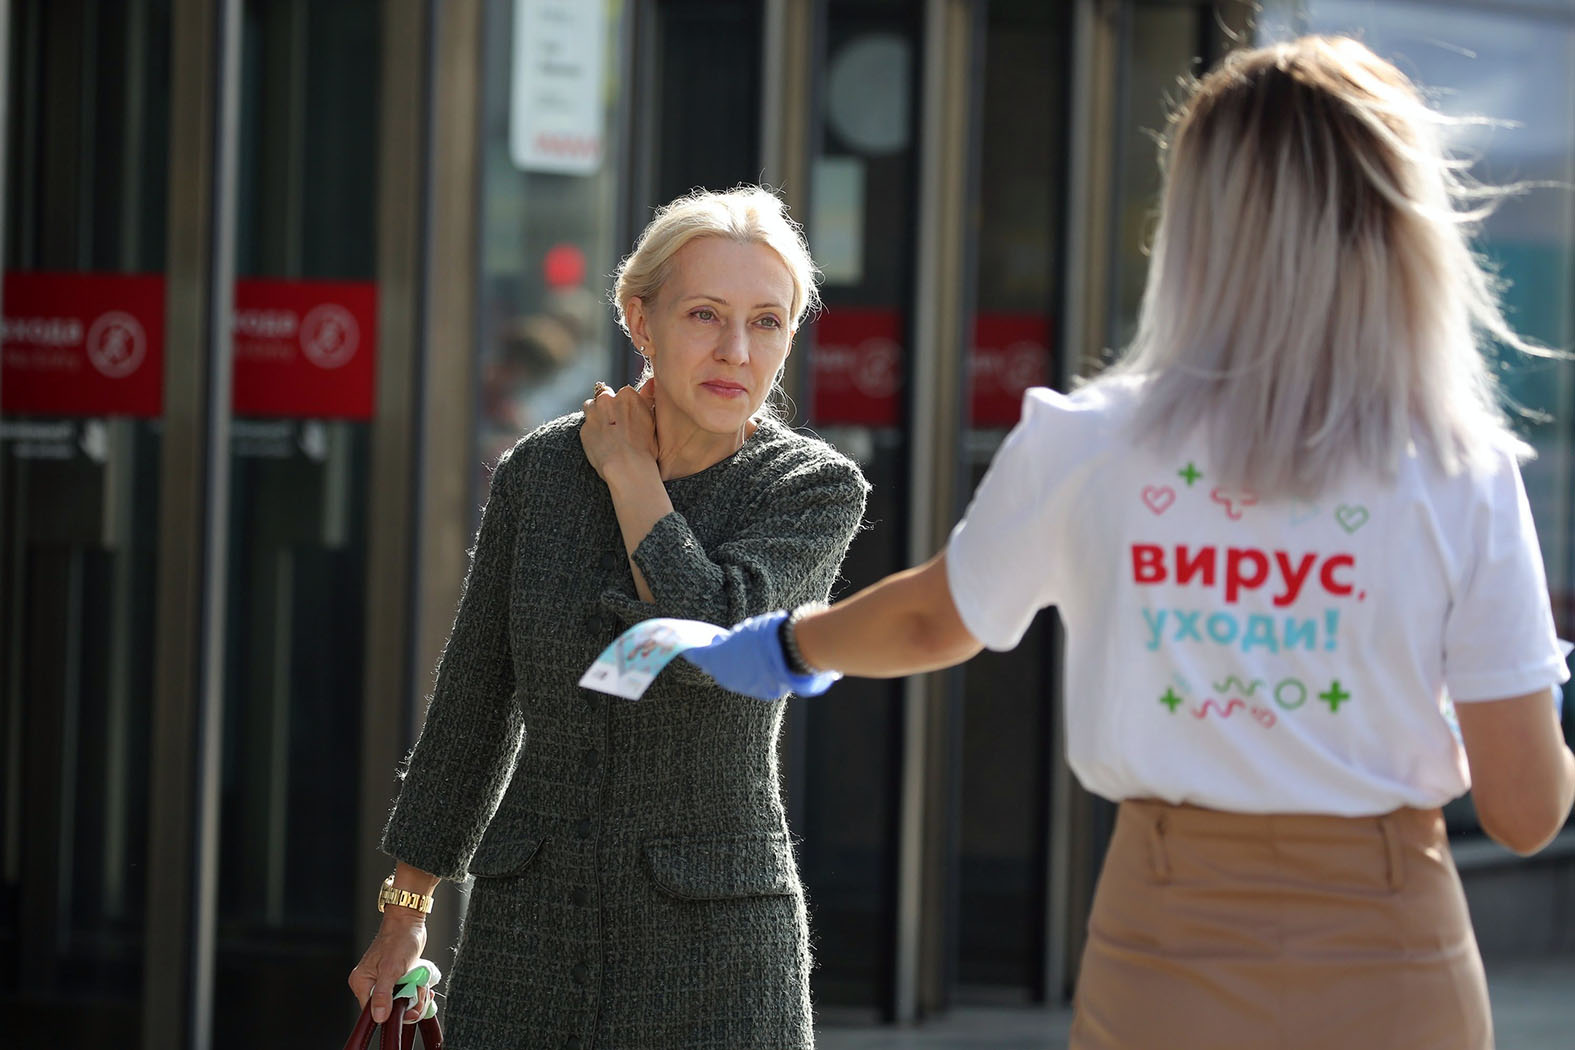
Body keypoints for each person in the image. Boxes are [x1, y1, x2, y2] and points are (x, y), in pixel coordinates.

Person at [684, 37, 1575, 1050]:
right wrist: (1530, 687)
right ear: (1402, 229)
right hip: (1395, 954)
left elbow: (937, 617)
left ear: (1196, 224)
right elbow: (1525, 812)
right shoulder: (1460, 470)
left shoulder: (1088, 442)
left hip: (1166, 940)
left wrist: (787, 645)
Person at [349, 185, 869, 1050]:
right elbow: (475, 698)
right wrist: (408, 907)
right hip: (526, 939)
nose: (735, 351)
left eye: (766, 322)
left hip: (716, 952)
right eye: (704, 315)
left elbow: (715, 647)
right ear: (639, 318)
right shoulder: (540, 473)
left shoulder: (809, 489)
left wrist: (631, 477)